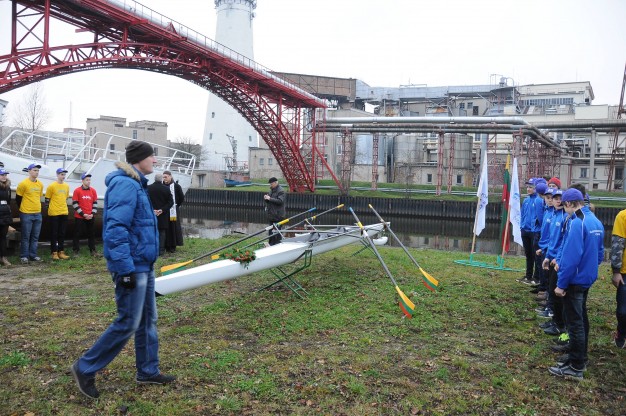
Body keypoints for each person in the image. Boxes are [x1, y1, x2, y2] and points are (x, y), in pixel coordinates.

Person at [71, 141, 175, 399]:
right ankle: (85, 367)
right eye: (152, 156)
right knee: (128, 321)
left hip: (144, 265)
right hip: (133, 267)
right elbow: (116, 228)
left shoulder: (137, 184)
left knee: (147, 320)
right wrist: (125, 269)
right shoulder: (126, 184)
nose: (155, 161)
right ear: (139, 158)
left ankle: (147, 371)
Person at [548, 188, 604, 380]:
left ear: (570, 204)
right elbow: (599, 254)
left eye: (565, 204)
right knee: (582, 318)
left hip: (575, 280)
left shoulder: (577, 223)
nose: (564, 208)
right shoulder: (595, 221)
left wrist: (561, 284)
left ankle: (576, 366)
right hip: (586, 278)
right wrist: (589, 269)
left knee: (574, 323)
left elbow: (571, 258)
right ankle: (579, 356)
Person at [16, 163, 44, 263]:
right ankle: (24, 256)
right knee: (26, 236)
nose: (36, 172)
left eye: (38, 170)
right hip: (26, 213)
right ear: (29, 171)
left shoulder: (40, 184)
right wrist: (24, 209)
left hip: (38, 213)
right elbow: (18, 199)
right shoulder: (23, 184)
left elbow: (39, 197)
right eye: (34, 170)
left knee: (35, 236)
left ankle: (33, 255)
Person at [519, 178, 544, 285]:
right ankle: (528, 275)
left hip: (534, 231)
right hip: (525, 230)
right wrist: (522, 226)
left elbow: (540, 216)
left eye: (531, 187)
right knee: (528, 254)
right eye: (528, 187)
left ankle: (536, 277)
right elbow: (522, 214)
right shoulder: (526, 200)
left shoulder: (539, 200)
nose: (528, 189)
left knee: (536, 255)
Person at [46, 168, 70, 260]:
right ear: (57, 175)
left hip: (64, 212)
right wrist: (49, 209)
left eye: (64, 174)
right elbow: (47, 199)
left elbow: (66, 198)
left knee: (62, 233)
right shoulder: (51, 186)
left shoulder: (66, 186)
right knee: (54, 233)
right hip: (54, 213)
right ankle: (54, 252)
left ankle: (61, 251)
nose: (63, 176)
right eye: (61, 174)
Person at [72, 173, 99, 256]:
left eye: (89, 180)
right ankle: (76, 251)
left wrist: (92, 214)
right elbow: (75, 204)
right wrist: (83, 214)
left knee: (91, 234)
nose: (89, 181)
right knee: (77, 233)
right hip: (79, 216)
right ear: (82, 181)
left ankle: (93, 250)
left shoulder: (93, 191)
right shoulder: (77, 190)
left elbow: (95, 203)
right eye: (87, 180)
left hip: (90, 216)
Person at [610, 208, 626, 348]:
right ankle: (621, 332)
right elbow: (617, 244)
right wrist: (616, 271)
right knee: (622, 311)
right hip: (625, 272)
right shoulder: (623, 216)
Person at [147, 173, 173, 256]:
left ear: (154, 179)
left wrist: (152, 210)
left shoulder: (148, 188)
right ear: (161, 179)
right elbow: (171, 202)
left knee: (151, 232)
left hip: (151, 214)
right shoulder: (166, 189)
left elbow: (145, 201)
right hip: (162, 214)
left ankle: (151, 249)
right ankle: (161, 250)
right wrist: (161, 210)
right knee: (162, 232)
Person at [162, 170, 185, 253]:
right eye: (163, 177)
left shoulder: (176, 186)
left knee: (173, 227)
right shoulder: (162, 186)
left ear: (170, 176)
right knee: (166, 228)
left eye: (166, 177)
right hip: (165, 210)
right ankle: (166, 245)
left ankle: (173, 245)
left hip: (173, 210)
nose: (164, 179)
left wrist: (176, 205)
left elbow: (181, 197)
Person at [264, 177, 286, 246]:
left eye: (271, 184)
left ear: (276, 183)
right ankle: (271, 244)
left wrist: (270, 198)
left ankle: (278, 245)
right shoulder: (271, 190)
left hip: (278, 216)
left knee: (277, 232)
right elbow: (270, 201)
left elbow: (280, 201)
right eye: (270, 184)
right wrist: (266, 199)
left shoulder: (281, 191)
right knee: (270, 231)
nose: (270, 185)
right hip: (271, 215)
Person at [0, 168, 12, 266]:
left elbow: (9, 201)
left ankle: (3, 257)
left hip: (6, 214)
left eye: (5, 175)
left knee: (3, 236)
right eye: (2, 175)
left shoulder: (8, 187)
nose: (4, 177)